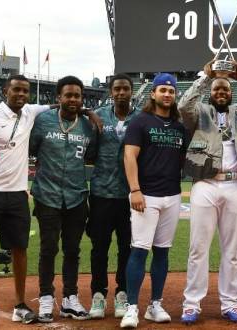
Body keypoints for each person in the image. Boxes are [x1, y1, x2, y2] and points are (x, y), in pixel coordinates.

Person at [179, 60, 237, 324]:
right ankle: (191, 304)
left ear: (232, 93)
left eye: (226, 90)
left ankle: (230, 303)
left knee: (232, 251)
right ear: (211, 91)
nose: (221, 93)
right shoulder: (200, 112)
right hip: (205, 184)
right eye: (217, 89)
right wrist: (205, 77)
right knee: (198, 248)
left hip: (236, 184)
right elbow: (182, 105)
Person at [0, 75, 51, 330]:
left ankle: (20, 305)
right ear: (6, 91)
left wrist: (89, 114)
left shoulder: (30, 113)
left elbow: (61, 106)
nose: (22, 94)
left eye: (25, 91)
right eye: (16, 90)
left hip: (17, 195)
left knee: (20, 249)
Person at [119, 73, 187, 328]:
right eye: (162, 90)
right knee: (139, 249)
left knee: (162, 251)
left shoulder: (180, 127)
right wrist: (135, 190)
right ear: (153, 93)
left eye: (171, 91)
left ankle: (154, 304)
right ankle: (132, 308)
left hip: (172, 194)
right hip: (145, 195)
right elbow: (129, 156)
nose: (167, 94)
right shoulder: (141, 122)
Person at [30, 76, 97, 323]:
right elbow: (32, 148)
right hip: (47, 195)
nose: (73, 99)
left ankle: (70, 298)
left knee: (73, 249)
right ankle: (46, 296)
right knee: (48, 248)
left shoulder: (89, 126)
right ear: (58, 98)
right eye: (68, 95)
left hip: (77, 196)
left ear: (82, 99)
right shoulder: (43, 121)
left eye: (77, 96)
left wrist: (90, 114)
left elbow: (91, 155)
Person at [88, 74, 140, 319]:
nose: (121, 93)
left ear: (131, 92)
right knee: (99, 247)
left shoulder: (140, 118)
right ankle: (98, 294)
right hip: (101, 193)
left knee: (126, 248)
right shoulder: (99, 115)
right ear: (110, 92)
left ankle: (122, 293)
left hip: (129, 194)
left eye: (125, 89)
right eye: (117, 89)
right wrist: (89, 112)